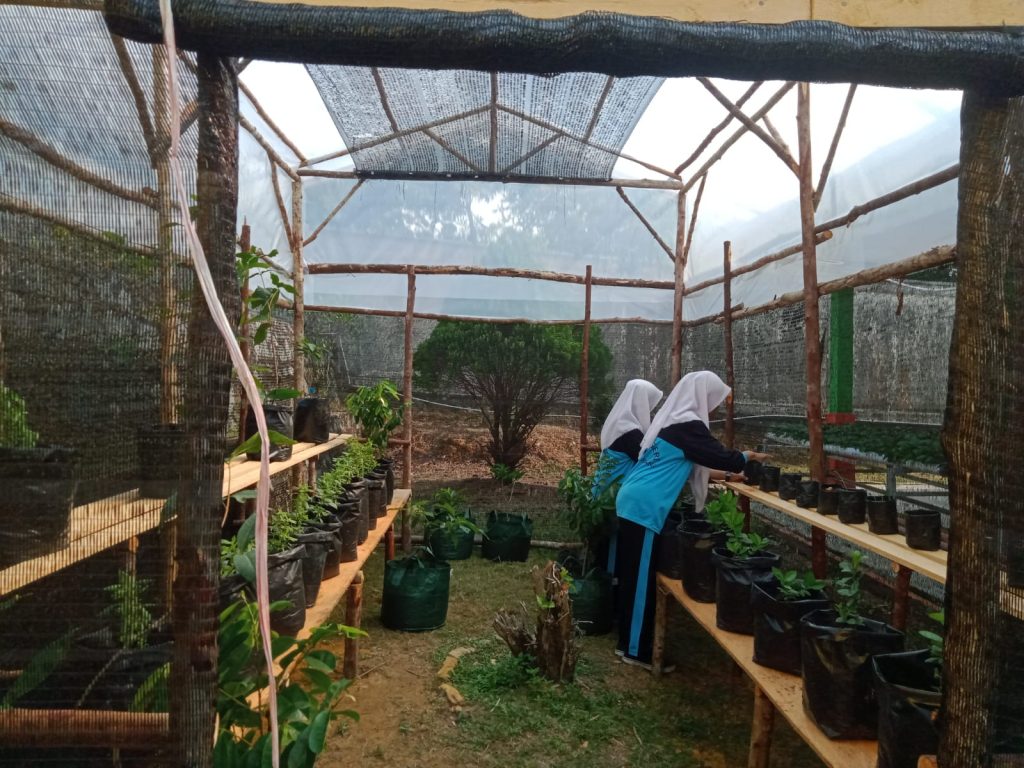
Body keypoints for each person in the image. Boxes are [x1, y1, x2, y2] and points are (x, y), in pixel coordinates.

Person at [614, 371, 769, 667]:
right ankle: (636, 651)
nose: (714, 408)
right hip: (644, 507)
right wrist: (746, 457)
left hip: (633, 499)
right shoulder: (688, 425)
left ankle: (627, 643)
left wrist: (729, 475)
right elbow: (720, 455)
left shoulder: (672, 423)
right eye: (714, 400)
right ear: (702, 396)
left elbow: (696, 465)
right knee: (641, 581)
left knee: (634, 576)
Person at [592, 379, 663, 577]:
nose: (650, 411)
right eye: (648, 405)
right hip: (612, 494)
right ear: (640, 403)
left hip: (604, 488)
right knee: (613, 552)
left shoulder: (619, 422)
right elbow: (647, 459)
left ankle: (601, 579)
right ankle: (608, 584)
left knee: (604, 547)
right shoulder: (629, 431)